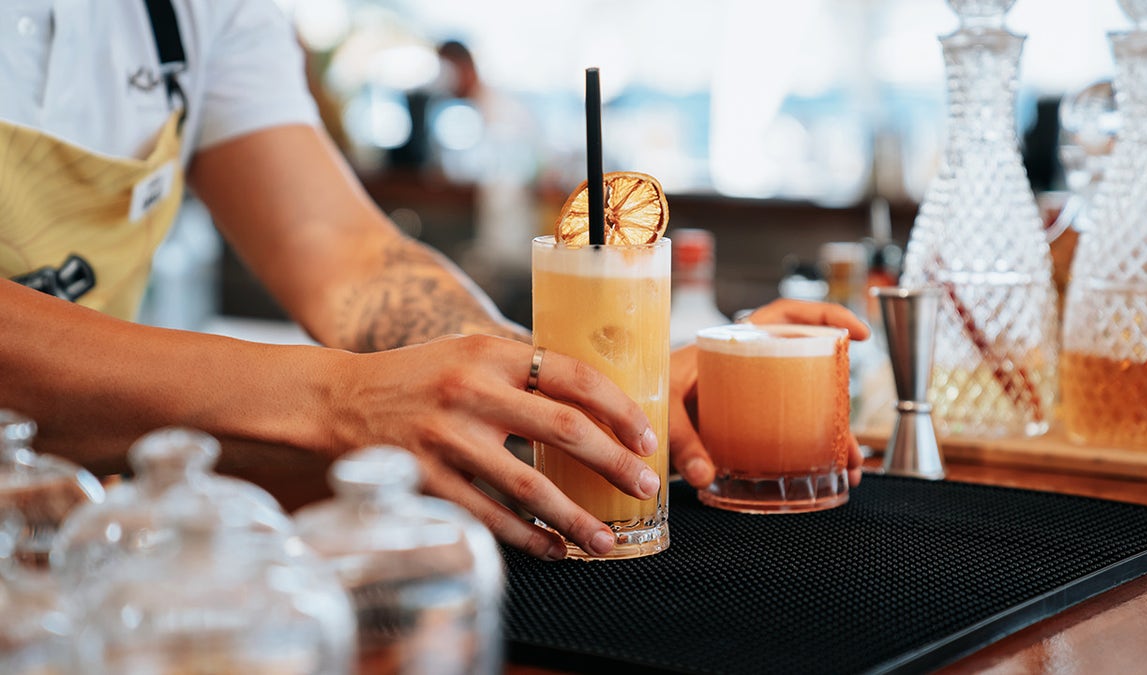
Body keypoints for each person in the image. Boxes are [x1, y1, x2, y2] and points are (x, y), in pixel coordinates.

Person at [0, 0, 867, 561]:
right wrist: (338, 398)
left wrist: (565, 398)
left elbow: (345, 252)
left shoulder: (201, 13)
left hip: (58, 540)